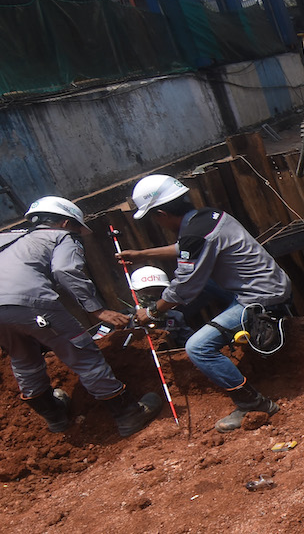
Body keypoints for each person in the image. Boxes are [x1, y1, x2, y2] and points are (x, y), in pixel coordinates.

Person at [0, 196, 163, 436]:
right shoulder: (62, 236)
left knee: (23, 358)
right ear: (66, 223)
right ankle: (128, 414)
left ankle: (55, 418)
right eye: (77, 228)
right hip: (29, 304)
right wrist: (97, 310)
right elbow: (65, 269)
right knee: (82, 353)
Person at [117, 174, 292, 432]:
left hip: (261, 297)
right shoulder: (209, 216)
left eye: (154, 218)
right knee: (199, 286)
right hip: (268, 282)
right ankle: (213, 326)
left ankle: (253, 403)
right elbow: (185, 248)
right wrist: (143, 254)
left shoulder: (197, 235)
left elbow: (184, 285)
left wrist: (152, 312)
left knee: (197, 347)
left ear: (162, 214)